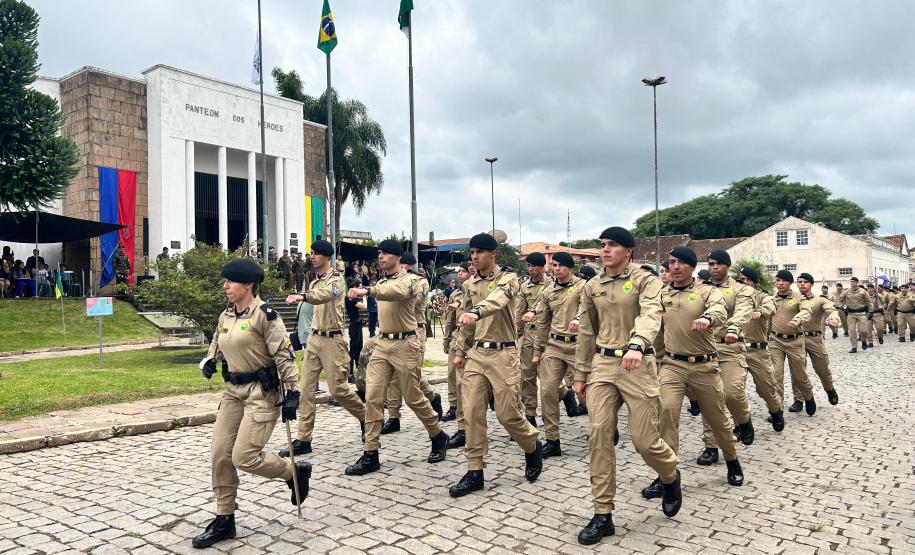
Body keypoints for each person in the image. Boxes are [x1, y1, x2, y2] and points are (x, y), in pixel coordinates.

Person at [192, 258, 312, 549]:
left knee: (244, 457)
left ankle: (293, 471)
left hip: (261, 393)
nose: (225, 286)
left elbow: (284, 355)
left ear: (247, 285)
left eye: (230, 281)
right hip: (232, 392)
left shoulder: (265, 316)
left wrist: (293, 392)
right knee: (220, 454)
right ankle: (225, 518)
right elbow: (216, 346)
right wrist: (209, 361)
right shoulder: (226, 315)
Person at [573, 227, 681, 545]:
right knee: (599, 434)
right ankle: (603, 514)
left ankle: (670, 474)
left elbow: (651, 314)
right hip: (603, 365)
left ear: (628, 251)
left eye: (612, 245)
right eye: (603, 245)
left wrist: (636, 343)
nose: (605, 250)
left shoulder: (646, 280)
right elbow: (587, 332)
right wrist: (580, 375)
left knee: (645, 441)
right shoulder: (592, 285)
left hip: (638, 363)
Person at [448, 233, 542, 498]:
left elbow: (498, 300)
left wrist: (476, 312)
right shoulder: (470, 284)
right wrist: (459, 350)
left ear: (493, 254)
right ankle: (474, 470)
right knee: (472, 412)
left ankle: (531, 445)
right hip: (477, 353)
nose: (474, 257)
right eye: (472, 252)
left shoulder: (509, 279)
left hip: (504, 354)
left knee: (507, 414)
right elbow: (464, 321)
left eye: (479, 252)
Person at [647, 246, 744, 499]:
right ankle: (666, 475)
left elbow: (720, 310)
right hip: (672, 365)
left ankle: (732, 460)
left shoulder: (707, 291)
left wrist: (708, 319)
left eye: (680, 262)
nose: (675, 267)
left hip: (705, 366)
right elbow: (651, 324)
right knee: (666, 413)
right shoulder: (661, 295)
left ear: (691, 267)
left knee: (718, 419)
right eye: (671, 262)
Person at [344, 239, 448, 476]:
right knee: (372, 397)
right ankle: (371, 453)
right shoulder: (381, 281)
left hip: (406, 343)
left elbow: (398, 293)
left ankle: (437, 434)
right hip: (383, 343)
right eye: (379, 253)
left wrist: (367, 290)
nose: (380, 257)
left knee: (412, 396)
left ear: (398, 258)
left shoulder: (412, 280)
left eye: (385, 253)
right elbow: (383, 299)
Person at [279, 240, 365, 458]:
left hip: (333, 341)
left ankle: (367, 418)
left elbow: (325, 295)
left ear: (327, 257)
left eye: (316, 254)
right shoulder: (315, 281)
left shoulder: (336, 280)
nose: (312, 257)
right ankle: (304, 439)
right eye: (311, 253)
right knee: (306, 389)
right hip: (314, 339)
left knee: (338, 390)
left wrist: (303, 296)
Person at [694, 250, 755, 467]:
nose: (714, 267)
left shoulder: (742, 289)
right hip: (706, 349)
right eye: (711, 264)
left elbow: (743, 311)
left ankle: (743, 419)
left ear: (728, 266)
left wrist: (733, 328)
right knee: (709, 400)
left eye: (719, 263)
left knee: (731, 392)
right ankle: (711, 446)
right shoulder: (700, 290)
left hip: (731, 347)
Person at [381, 251, 444, 433]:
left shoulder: (419, 281)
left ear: (406, 265)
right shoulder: (391, 281)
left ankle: (432, 397)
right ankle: (393, 416)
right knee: (393, 377)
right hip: (393, 333)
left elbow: (410, 301)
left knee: (411, 374)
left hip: (414, 330)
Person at [531, 251, 585, 458]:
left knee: (585, 392)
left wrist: (578, 319)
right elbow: (542, 323)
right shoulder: (547, 291)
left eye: (560, 265)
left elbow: (586, 309)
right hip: (554, 345)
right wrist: (538, 351)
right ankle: (553, 440)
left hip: (577, 346)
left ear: (570, 268)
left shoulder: (582, 287)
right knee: (547, 391)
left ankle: (606, 428)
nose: (556, 269)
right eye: (553, 266)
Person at [737, 268, 785, 431]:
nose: (743, 282)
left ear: (754, 282)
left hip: (758, 351)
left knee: (767, 389)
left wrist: (760, 312)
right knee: (734, 390)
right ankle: (741, 422)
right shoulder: (735, 297)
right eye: (740, 279)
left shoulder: (763, 297)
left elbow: (770, 307)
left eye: (746, 279)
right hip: (736, 350)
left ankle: (775, 410)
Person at [768, 270, 815, 415]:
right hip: (775, 341)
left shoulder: (799, 297)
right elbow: (768, 318)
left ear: (790, 283)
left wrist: (797, 319)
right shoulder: (771, 299)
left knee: (799, 375)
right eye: (778, 280)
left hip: (795, 341)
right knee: (776, 375)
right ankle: (778, 409)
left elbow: (807, 311)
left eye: (784, 281)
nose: (780, 283)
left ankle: (808, 397)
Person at [796, 273, 840, 407]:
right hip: (797, 339)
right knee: (797, 370)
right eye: (799, 282)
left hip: (815, 338)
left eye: (805, 282)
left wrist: (833, 319)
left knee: (822, 368)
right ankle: (799, 399)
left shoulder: (820, 300)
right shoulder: (794, 299)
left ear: (811, 284)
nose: (802, 284)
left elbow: (831, 310)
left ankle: (829, 388)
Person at [442, 262, 473, 442]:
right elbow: (450, 321)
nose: (460, 274)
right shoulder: (454, 294)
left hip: (472, 342)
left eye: (464, 271)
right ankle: (454, 407)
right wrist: (446, 341)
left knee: (466, 382)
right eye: (459, 271)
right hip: (456, 339)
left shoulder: (476, 292)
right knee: (452, 376)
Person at [837, 277, 871, 352]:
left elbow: (869, 301)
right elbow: (840, 299)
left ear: (857, 282)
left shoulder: (863, 292)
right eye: (851, 281)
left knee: (864, 330)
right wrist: (841, 306)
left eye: (854, 281)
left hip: (861, 313)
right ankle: (854, 347)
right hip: (851, 313)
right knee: (852, 331)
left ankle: (864, 340)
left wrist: (871, 311)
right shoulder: (846, 292)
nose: (852, 283)